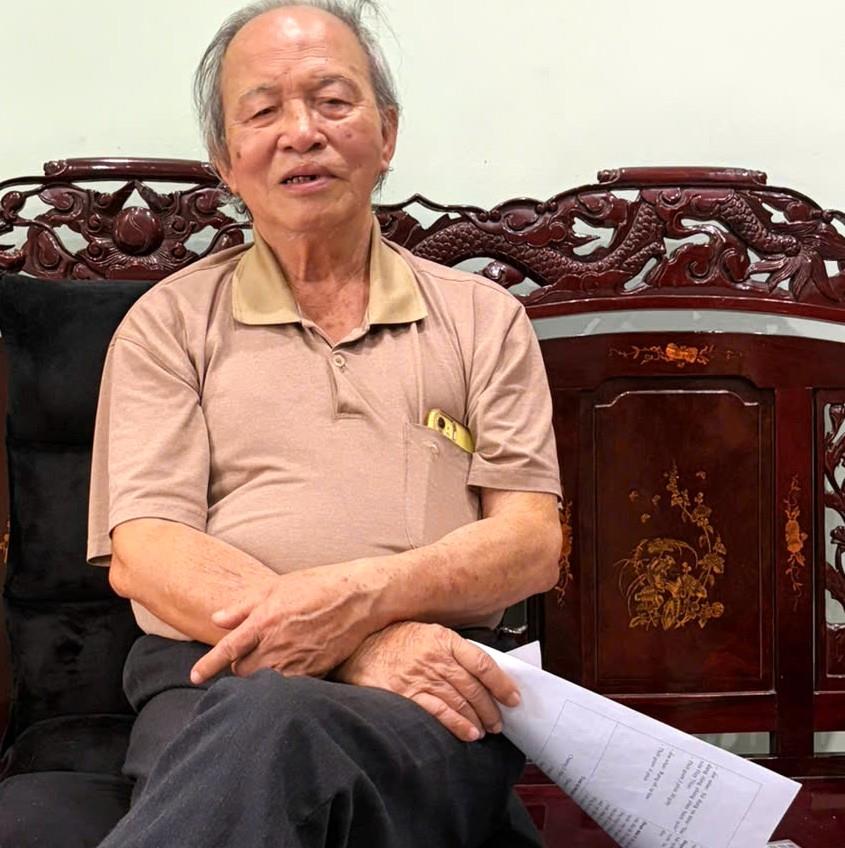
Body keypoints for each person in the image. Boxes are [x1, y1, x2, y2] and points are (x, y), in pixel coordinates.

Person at [86, 1, 562, 845]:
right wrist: (353, 645)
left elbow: (529, 543)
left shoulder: (482, 320)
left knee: (272, 730)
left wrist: (359, 609)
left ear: (385, 134)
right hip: (210, 677)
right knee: (263, 719)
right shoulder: (168, 325)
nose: (301, 133)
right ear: (226, 161)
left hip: (426, 689)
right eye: (263, 111)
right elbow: (147, 550)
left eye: (332, 102)